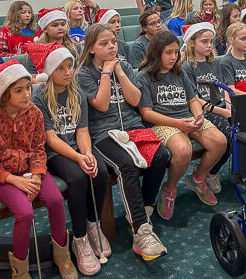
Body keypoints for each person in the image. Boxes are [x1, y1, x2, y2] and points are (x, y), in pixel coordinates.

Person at [76, 24, 169, 261]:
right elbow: (103, 105)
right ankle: (141, 230)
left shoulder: (124, 65)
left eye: (113, 42)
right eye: (104, 43)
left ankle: (144, 209)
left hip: (133, 127)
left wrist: (119, 72)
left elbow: (136, 99)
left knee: (160, 156)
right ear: (92, 48)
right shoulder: (84, 73)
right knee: (126, 165)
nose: (111, 47)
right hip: (103, 134)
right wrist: (106, 73)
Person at [0, 60, 78, 279]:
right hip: (3, 177)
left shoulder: (33, 112)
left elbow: (38, 148)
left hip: (31, 170)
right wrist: (15, 180)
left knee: (55, 200)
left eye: (28, 87)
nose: (27, 94)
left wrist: (36, 175)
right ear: (4, 93)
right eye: (19, 90)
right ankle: (20, 269)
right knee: (25, 212)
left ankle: (62, 256)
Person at [27, 42, 109, 276]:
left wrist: (87, 154)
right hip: (54, 152)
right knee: (77, 178)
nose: (68, 73)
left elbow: (82, 131)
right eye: (61, 69)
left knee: (99, 171)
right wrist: (77, 157)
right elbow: (50, 139)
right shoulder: (39, 96)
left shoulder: (77, 93)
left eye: (70, 67)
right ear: (50, 72)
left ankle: (94, 225)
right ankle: (80, 237)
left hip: (76, 146)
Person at [136, 30, 227, 218]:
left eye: (176, 52)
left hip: (186, 117)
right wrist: (178, 124)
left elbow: (193, 100)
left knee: (220, 141)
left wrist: (199, 116)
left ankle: (198, 179)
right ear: (156, 52)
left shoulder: (179, 72)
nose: (173, 57)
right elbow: (147, 113)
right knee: (183, 150)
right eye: (168, 52)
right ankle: (169, 189)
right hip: (162, 122)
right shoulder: (143, 76)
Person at [181, 23, 232, 193]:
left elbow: (223, 88)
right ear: (192, 43)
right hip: (202, 112)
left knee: (243, 127)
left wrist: (229, 105)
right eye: (205, 42)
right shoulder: (188, 66)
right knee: (229, 134)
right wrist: (224, 112)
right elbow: (194, 99)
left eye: (211, 41)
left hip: (220, 106)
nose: (210, 45)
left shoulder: (214, 63)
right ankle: (210, 173)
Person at [26, 8, 80, 80]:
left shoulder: (74, 47)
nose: (60, 28)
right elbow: (32, 78)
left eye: (63, 24)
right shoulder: (37, 50)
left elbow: (80, 73)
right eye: (55, 25)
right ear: (45, 29)